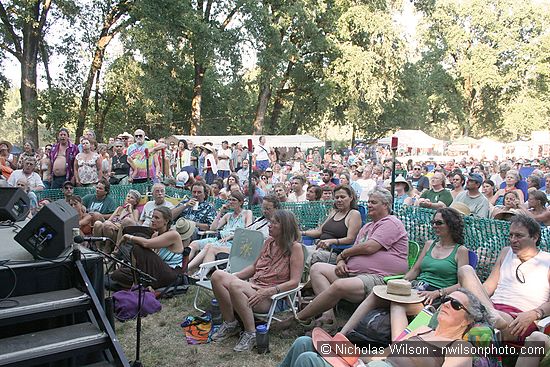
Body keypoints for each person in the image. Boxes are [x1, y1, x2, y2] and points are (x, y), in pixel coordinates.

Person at [276, 188, 409, 332]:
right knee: (317, 269)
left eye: (374, 202)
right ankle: (328, 317)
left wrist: (343, 254)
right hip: (353, 272)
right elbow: (356, 248)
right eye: (369, 201)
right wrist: (340, 261)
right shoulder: (368, 227)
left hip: (379, 277)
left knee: (339, 284)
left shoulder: (390, 223)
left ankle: (296, 319)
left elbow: (370, 247)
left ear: (386, 205)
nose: (369, 205)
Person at [279, 288, 491, 367]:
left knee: (307, 361)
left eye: (455, 304)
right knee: (304, 343)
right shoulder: (423, 330)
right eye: (446, 299)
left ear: (467, 319)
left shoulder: (459, 347)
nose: (445, 304)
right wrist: (353, 355)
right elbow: (384, 355)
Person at [209, 210, 304, 352]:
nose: (269, 225)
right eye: (269, 222)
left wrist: (269, 291)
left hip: (272, 297)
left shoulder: (295, 248)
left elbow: (295, 282)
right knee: (217, 275)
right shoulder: (269, 242)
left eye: (274, 223)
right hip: (254, 286)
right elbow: (254, 267)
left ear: (285, 226)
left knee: (235, 285)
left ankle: (251, 333)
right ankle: (231, 323)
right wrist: (235, 276)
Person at [458, 214, 550, 341]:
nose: (513, 239)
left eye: (519, 235)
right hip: (492, 307)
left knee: (464, 315)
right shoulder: (506, 252)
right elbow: (488, 287)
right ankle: (490, 315)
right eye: (511, 235)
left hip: (518, 318)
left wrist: (535, 313)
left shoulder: (547, 261)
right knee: (465, 270)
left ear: (534, 237)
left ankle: (488, 316)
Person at [111, 208, 195, 289]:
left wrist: (127, 236)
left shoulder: (173, 235)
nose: (152, 220)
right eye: (152, 217)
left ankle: (138, 285)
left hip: (171, 274)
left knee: (138, 248)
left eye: (156, 218)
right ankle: (145, 284)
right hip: (157, 272)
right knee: (117, 274)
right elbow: (148, 260)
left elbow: (146, 243)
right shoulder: (155, 235)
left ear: (166, 221)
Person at [187, 191, 253, 272]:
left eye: (233, 200)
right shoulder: (228, 215)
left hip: (233, 242)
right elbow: (213, 228)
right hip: (220, 239)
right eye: (229, 200)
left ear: (241, 202)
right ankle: (182, 265)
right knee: (194, 244)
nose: (230, 202)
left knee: (209, 246)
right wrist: (221, 212)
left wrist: (231, 236)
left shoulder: (247, 213)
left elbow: (248, 230)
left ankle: (192, 270)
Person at [303, 185, 363, 265]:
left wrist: (331, 241)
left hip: (335, 253)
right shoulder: (334, 212)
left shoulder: (354, 214)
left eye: (342, 197)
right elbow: (319, 231)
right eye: (336, 197)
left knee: (305, 256)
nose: (339, 200)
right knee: (296, 250)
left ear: (351, 198)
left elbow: (350, 239)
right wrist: (301, 233)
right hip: (318, 247)